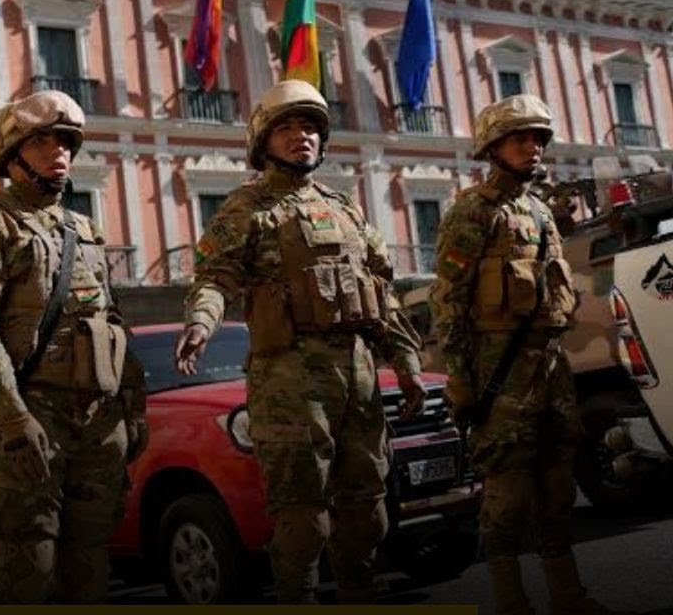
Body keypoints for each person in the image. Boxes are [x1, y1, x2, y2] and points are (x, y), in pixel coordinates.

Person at [174, 79, 425, 604]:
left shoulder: (346, 210)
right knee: (302, 516)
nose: (301, 136)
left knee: (368, 508)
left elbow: (382, 294)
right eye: (286, 128)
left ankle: (359, 591)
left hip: (357, 376)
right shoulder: (246, 208)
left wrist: (406, 365)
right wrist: (201, 323)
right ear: (263, 141)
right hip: (289, 380)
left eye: (309, 127)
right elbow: (215, 278)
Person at [0, 90, 148, 603]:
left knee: (90, 559)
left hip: (98, 418)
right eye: (41, 142)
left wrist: (133, 405)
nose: (58, 152)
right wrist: (13, 418)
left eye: (65, 142)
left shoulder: (85, 230)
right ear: (12, 156)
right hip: (34, 413)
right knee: (29, 561)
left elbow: (111, 320)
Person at [429, 94, 605, 615]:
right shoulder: (473, 212)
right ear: (493, 148)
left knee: (557, 489)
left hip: (549, 369)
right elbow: (449, 300)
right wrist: (460, 379)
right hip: (499, 375)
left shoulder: (539, 212)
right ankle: (511, 601)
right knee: (507, 498)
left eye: (537, 139)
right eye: (519, 139)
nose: (532, 148)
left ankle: (569, 597)